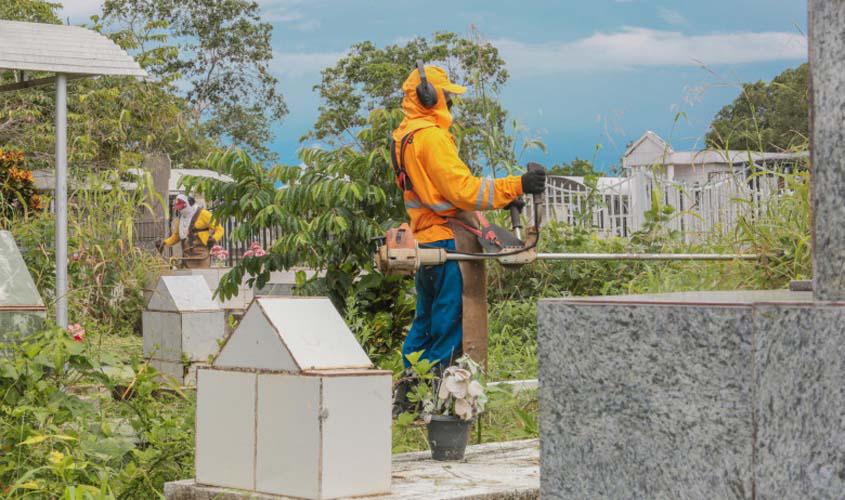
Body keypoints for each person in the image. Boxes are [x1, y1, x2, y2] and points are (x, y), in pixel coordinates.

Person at [391, 62, 546, 373]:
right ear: (429, 96)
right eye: (447, 97)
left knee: (426, 322)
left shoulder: (404, 136)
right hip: (449, 245)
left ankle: (410, 393)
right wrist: (517, 184)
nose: (451, 103)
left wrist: (499, 200)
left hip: (427, 244)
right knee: (450, 324)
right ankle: (442, 401)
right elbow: (461, 191)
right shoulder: (431, 137)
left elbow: (438, 191)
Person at [156, 194, 224, 269]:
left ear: (189, 203)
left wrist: (214, 238)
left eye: (181, 205)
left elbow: (219, 229)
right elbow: (177, 236)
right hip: (187, 257)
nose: (179, 209)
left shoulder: (204, 214)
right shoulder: (181, 219)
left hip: (201, 256)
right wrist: (164, 243)